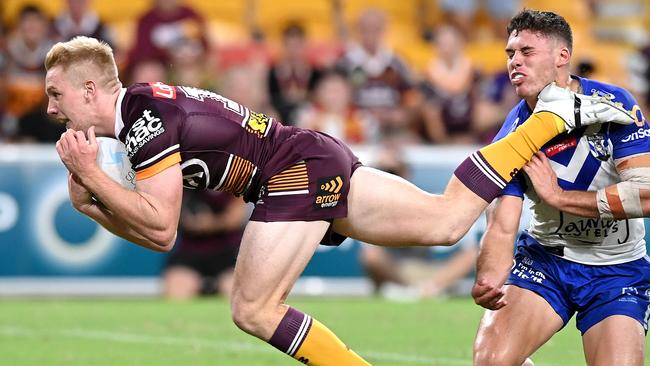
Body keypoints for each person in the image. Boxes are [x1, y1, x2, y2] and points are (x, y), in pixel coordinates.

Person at [45, 36, 632, 365]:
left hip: (290, 171)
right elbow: (153, 231)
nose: (50, 108)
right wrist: (90, 199)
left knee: (252, 308)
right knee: (446, 221)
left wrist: (94, 181)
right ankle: (552, 121)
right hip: (306, 154)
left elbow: (162, 226)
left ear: (91, 89)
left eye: (57, 94)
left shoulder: (144, 119)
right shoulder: (142, 111)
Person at [472, 10, 650, 366]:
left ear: (562, 57)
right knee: (491, 362)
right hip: (547, 262)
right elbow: (502, 222)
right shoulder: (513, 134)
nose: (514, 62)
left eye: (527, 52)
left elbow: (645, 194)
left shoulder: (614, 105)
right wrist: (489, 274)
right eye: (510, 54)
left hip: (617, 269)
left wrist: (558, 197)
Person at [162, 190, 246, 300]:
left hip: (228, 253)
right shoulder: (185, 179)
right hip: (190, 252)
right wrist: (186, 220)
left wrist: (209, 223)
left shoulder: (234, 178)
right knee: (177, 290)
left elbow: (236, 217)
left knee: (234, 292)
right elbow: (170, 213)